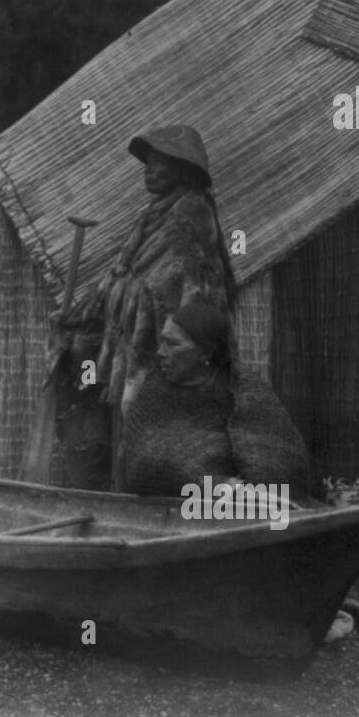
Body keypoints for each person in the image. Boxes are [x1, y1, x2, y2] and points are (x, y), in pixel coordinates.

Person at [56, 125, 236, 489]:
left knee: (152, 423)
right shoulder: (152, 215)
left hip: (164, 346)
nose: (148, 171)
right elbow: (122, 272)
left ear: (183, 170)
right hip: (134, 343)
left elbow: (195, 288)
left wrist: (177, 337)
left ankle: (152, 502)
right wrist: (83, 312)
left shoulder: (193, 214)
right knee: (126, 420)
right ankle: (122, 498)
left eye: (158, 164)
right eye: (147, 163)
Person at [122, 302, 310, 497]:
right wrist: (220, 485)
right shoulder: (154, 392)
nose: (160, 352)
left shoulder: (247, 391)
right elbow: (142, 462)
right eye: (162, 341)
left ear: (205, 351)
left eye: (172, 344)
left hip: (247, 511)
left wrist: (250, 489)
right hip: (172, 510)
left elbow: (282, 461)